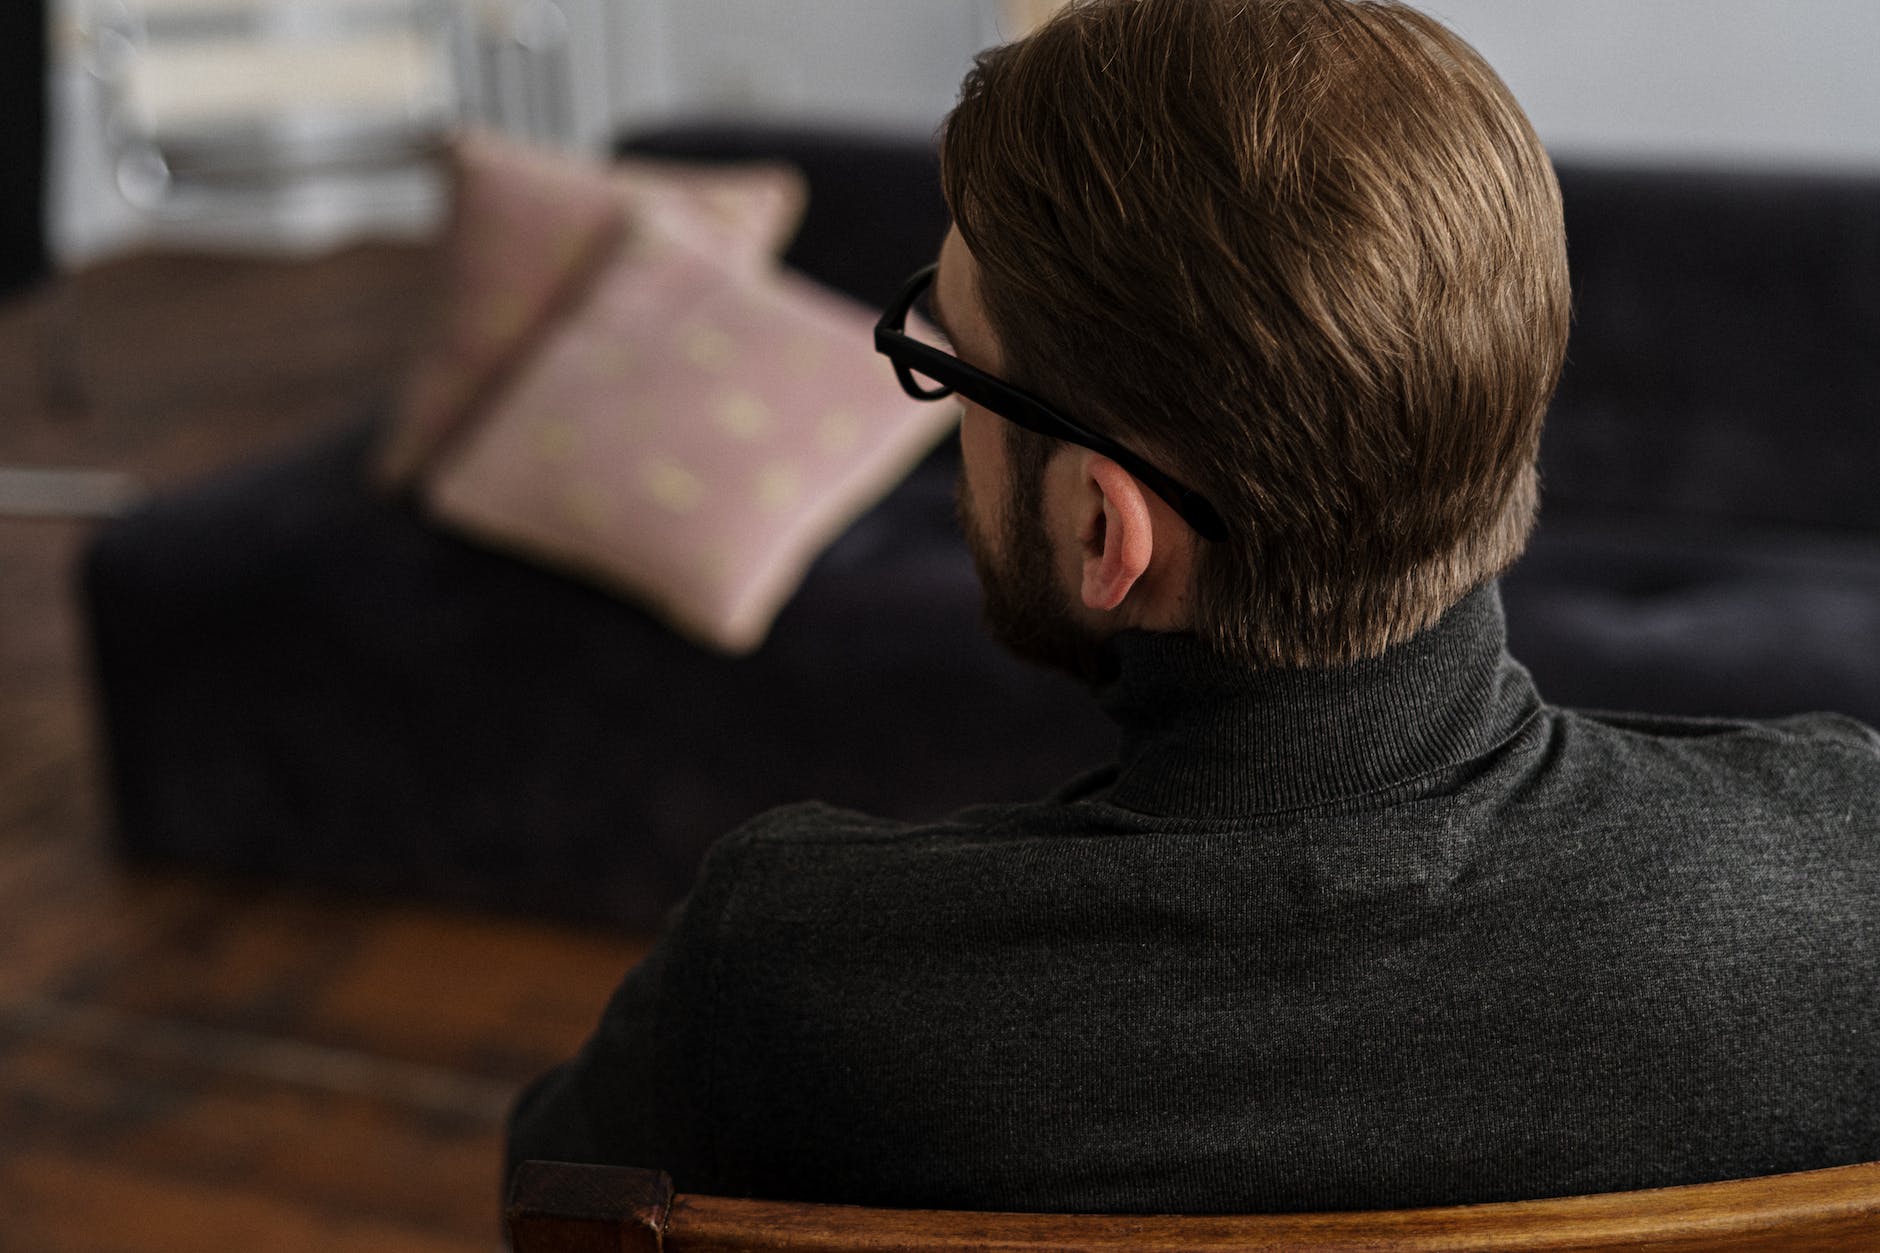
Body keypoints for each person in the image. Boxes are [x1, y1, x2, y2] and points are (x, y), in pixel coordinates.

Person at [507, 0, 1880, 1214]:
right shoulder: (1847, 865)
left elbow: (551, 1200)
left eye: (954, 363)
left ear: (1107, 527)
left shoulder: (791, 972)